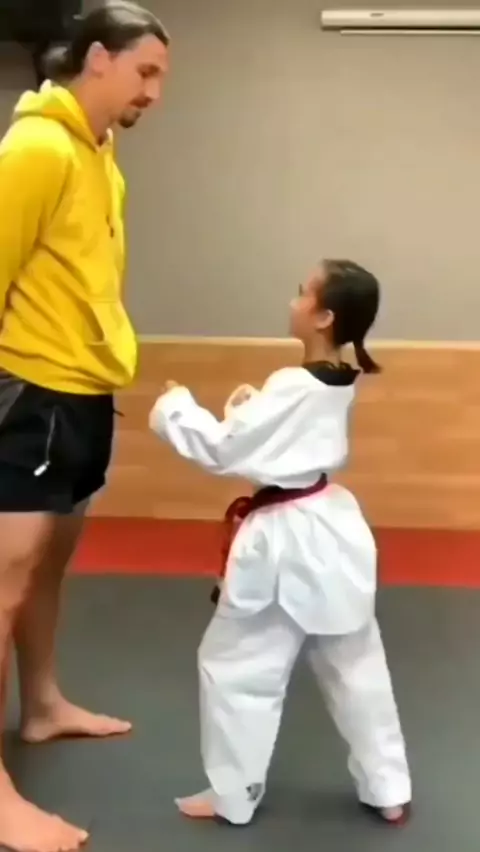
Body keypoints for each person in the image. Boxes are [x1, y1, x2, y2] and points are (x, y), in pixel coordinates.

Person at [149, 260, 412, 827]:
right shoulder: (337, 374)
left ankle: (233, 794)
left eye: (302, 293)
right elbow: (281, 432)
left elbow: (224, 448)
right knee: (356, 663)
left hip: (285, 541)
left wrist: (177, 406)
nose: (292, 301)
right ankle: (388, 787)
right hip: (330, 527)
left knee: (239, 665)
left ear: (323, 316)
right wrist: (253, 403)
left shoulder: (294, 385)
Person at [0, 2, 169, 851]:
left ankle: (41, 705)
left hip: (83, 393)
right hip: (28, 396)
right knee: (3, 580)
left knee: (48, 568)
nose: (154, 93)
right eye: (146, 71)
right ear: (98, 57)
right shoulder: (34, 148)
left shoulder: (100, 156)